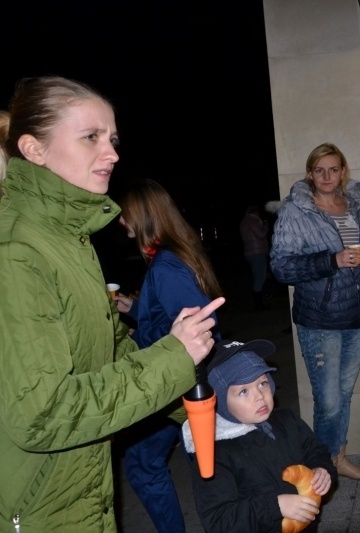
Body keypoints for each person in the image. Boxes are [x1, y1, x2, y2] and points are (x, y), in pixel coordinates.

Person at [0, 75, 223, 531]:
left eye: (113, 138)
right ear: (33, 149)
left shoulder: (69, 239)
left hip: (84, 491)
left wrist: (203, 407)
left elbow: (112, 355)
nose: (113, 153)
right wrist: (174, 355)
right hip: (41, 509)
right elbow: (44, 414)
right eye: (91, 137)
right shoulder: (17, 251)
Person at [270, 142, 360, 479]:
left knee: (344, 393)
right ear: (310, 174)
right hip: (320, 320)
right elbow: (281, 268)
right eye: (319, 170)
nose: (327, 176)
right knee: (328, 401)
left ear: (343, 171)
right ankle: (321, 466)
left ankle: (337, 458)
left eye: (333, 169)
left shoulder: (356, 207)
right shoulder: (296, 211)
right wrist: (333, 260)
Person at [113, 178, 224, 533]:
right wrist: (132, 308)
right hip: (179, 377)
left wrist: (141, 337)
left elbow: (199, 324)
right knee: (194, 462)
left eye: (126, 215)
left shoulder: (165, 264)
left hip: (176, 380)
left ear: (144, 216)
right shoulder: (171, 256)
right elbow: (167, 314)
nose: (120, 222)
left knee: (144, 465)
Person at [184, 339, 336, 532]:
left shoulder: (286, 420)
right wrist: (276, 506)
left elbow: (315, 450)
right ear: (221, 401)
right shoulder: (213, 455)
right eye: (243, 391)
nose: (259, 395)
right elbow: (218, 521)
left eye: (263, 383)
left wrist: (322, 469)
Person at [240, 204, 270, 310]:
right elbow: (261, 235)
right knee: (260, 278)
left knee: (257, 277)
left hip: (250, 252)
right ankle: (259, 304)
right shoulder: (253, 221)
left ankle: (259, 302)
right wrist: (265, 225)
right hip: (257, 252)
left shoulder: (244, 221)